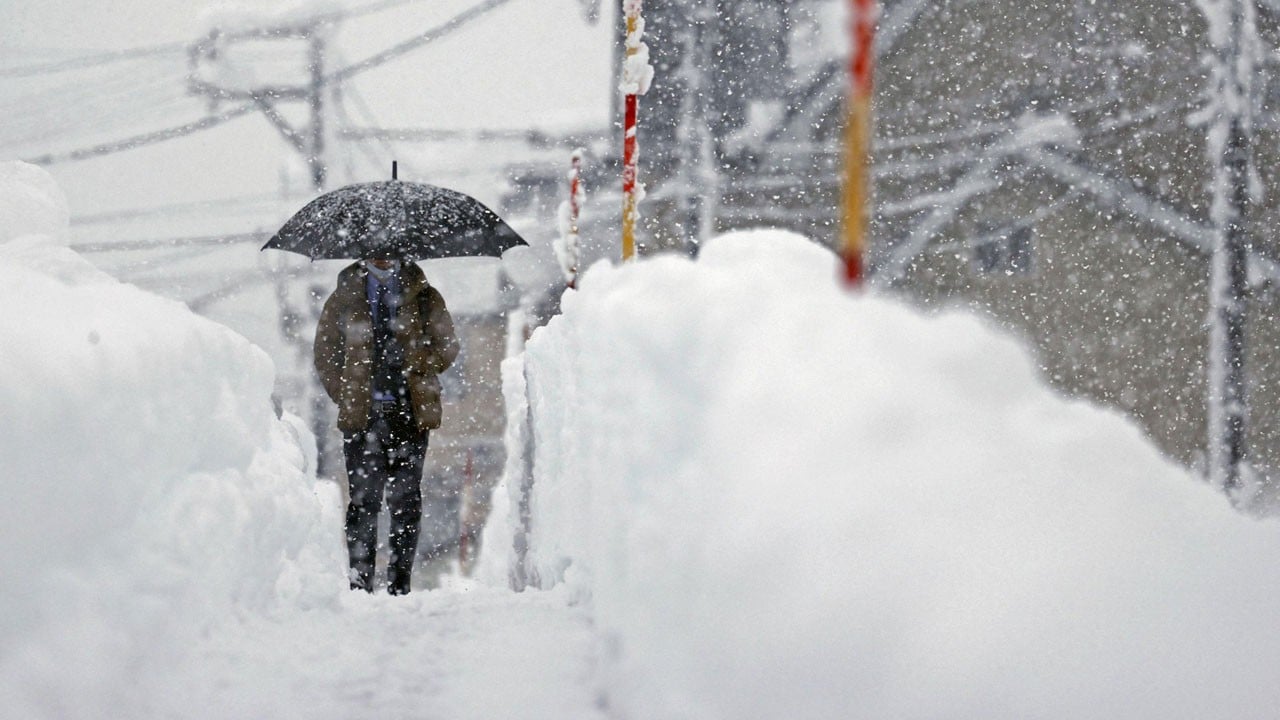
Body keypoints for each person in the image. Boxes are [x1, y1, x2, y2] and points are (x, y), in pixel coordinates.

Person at [314, 257, 459, 595]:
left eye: (390, 248)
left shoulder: (425, 297)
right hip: (363, 417)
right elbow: (325, 354)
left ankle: (399, 584)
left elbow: (448, 347)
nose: (383, 254)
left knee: (406, 501)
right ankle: (360, 582)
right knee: (364, 503)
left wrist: (418, 361)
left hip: (409, 413)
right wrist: (347, 392)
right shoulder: (344, 298)